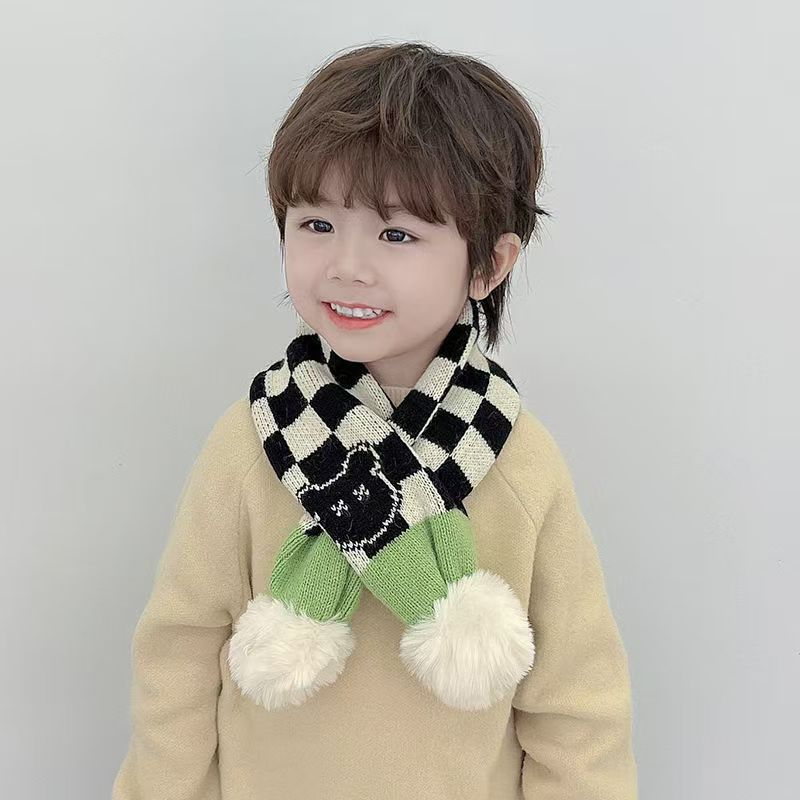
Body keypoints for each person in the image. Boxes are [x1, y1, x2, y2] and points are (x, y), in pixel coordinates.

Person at [112, 40, 638, 800]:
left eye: (397, 234)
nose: (347, 266)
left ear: (490, 264)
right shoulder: (251, 443)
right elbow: (178, 659)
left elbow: (578, 706)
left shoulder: (519, 462)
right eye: (316, 224)